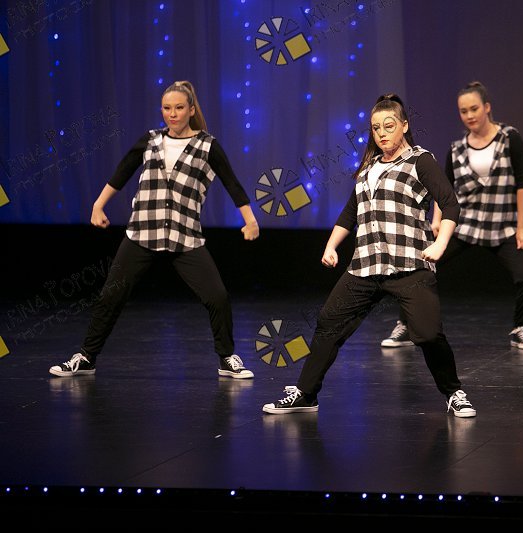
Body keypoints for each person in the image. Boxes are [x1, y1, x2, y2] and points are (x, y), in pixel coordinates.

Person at [262, 94, 476, 418]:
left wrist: (441, 243)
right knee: (328, 322)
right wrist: (331, 246)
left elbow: (450, 204)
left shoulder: (420, 161)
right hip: (366, 266)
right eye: (376, 128)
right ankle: (306, 394)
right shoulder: (369, 167)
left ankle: (454, 392)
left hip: (409, 264)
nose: (382, 133)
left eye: (389, 126)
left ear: (404, 126)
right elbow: (351, 212)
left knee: (429, 333)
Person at [49, 81, 260, 379]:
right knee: (111, 296)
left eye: (179, 108)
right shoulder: (149, 140)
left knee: (218, 297)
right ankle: (86, 357)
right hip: (142, 233)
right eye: (166, 108)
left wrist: (250, 220)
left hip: (184, 236)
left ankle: (226, 358)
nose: (172, 114)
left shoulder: (207, 146)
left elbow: (232, 183)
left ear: (191, 110)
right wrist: (98, 205)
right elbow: (122, 173)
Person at [381, 81, 523, 351]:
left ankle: (519, 328)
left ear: (487, 107)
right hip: (464, 227)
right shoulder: (456, 149)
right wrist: (436, 221)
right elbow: (443, 191)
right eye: (463, 111)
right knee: (420, 267)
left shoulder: (510, 138)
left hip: (502, 227)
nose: (469, 115)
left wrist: (522, 228)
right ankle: (406, 325)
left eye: (474, 109)